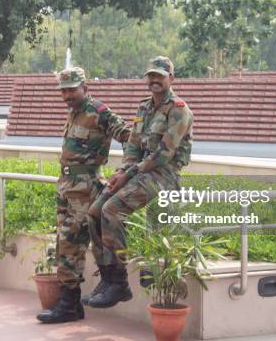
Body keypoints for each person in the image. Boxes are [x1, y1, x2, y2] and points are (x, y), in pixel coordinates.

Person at [84, 56, 194, 309]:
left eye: (160, 76)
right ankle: (108, 278)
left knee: (112, 210)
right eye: (151, 75)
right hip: (138, 173)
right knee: (94, 212)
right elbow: (133, 146)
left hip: (164, 176)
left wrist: (129, 172)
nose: (154, 80)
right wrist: (121, 170)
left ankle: (119, 284)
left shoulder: (178, 109)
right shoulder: (143, 108)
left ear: (171, 79)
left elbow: (164, 154)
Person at [37, 67, 130, 324]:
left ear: (84, 88)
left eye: (71, 89)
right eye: (63, 90)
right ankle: (71, 305)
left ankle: (69, 305)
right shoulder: (73, 112)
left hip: (86, 186)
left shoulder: (99, 112)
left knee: (69, 242)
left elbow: (129, 137)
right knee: (65, 243)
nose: (67, 95)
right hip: (67, 186)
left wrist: (125, 170)